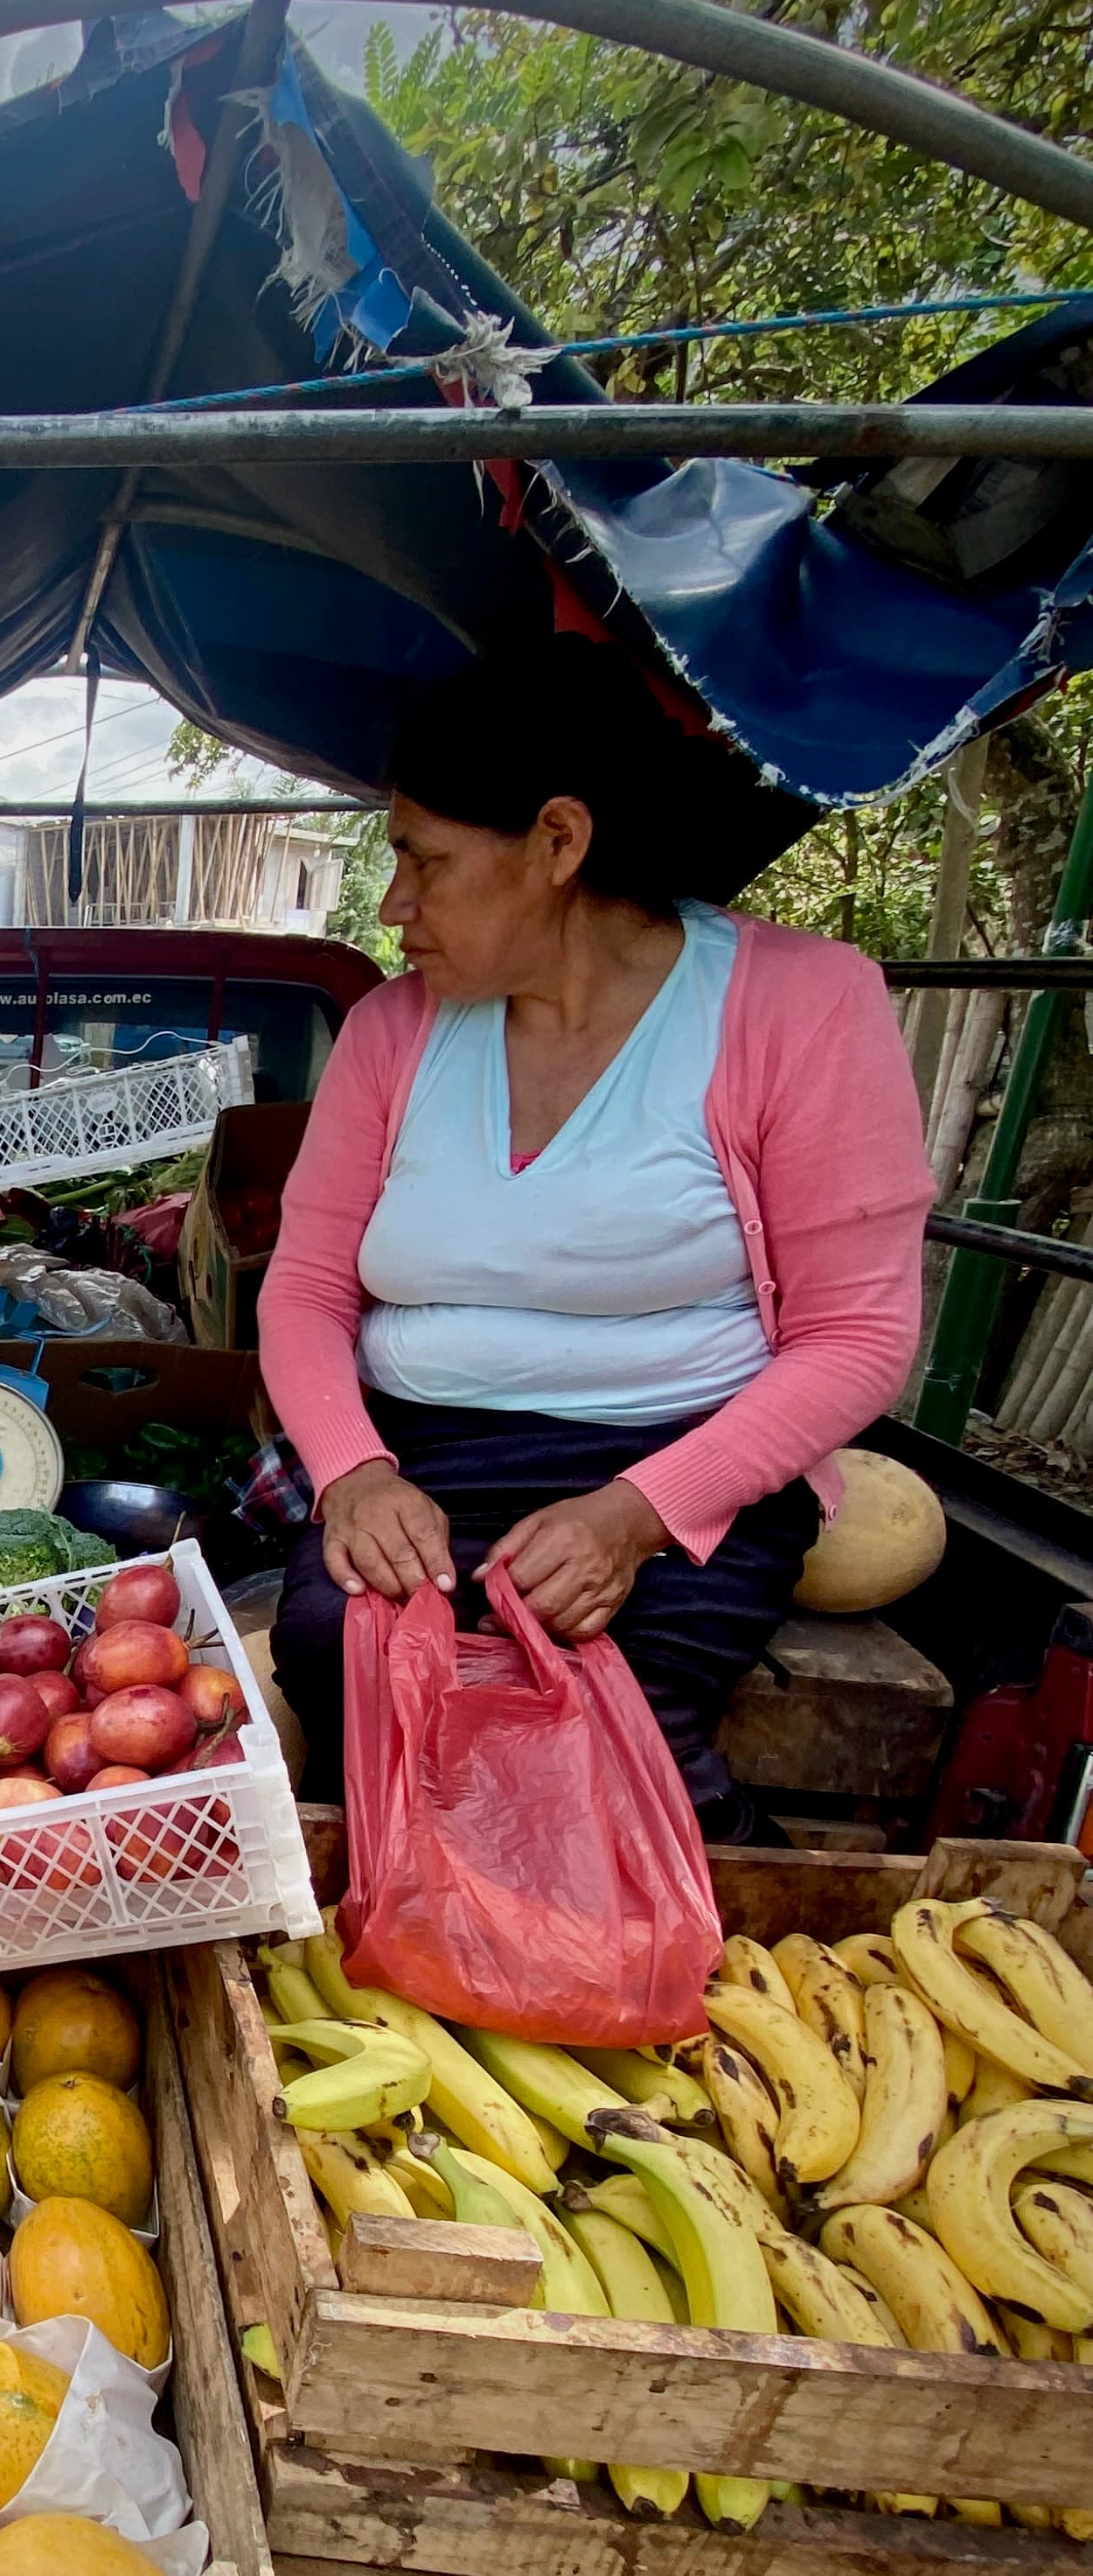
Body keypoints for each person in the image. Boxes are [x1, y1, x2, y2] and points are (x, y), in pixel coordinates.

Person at [259, 639, 936, 1840]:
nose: (394, 905)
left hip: (685, 1473)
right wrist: (354, 1472)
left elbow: (859, 1337)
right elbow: (306, 1288)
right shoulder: (389, 1032)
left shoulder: (800, 1006)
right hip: (424, 1461)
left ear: (559, 843)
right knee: (338, 1643)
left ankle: (679, 1938)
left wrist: (634, 1513)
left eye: (423, 858)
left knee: (608, 1712)